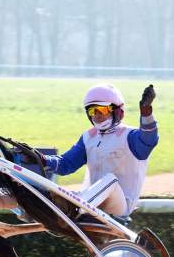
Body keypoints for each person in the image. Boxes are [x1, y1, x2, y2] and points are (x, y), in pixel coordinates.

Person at [41, 83, 159, 219]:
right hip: (92, 204)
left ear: (117, 111)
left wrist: (146, 113)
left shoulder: (130, 136)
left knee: (110, 180)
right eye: (92, 111)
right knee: (52, 191)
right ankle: (68, 204)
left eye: (101, 110)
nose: (96, 115)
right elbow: (65, 164)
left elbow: (149, 140)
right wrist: (43, 160)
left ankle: (76, 204)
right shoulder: (87, 137)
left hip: (119, 207)